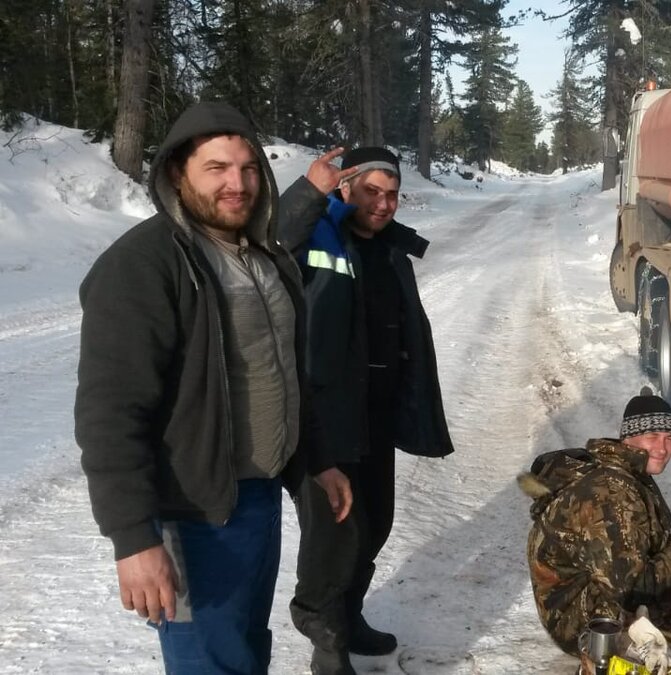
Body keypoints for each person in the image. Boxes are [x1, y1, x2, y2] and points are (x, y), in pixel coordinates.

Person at [75, 101, 352, 674]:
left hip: (255, 498)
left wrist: (317, 459)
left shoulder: (262, 254)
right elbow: (110, 415)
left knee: (247, 644)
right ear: (178, 172)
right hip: (192, 512)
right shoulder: (145, 264)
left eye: (249, 168)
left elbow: (283, 372)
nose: (237, 183)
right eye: (217, 168)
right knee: (208, 661)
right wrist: (133, 539)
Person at [277, 146, 455, 674]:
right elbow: (272, 239)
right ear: (345, 189)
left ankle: (349, 616)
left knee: (375, 522)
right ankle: (325, 640)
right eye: (371, 191)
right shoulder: (317, 234)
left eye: (392, 194)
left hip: (375, 416)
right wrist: (310, 192)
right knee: (336, 533)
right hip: (323, 418)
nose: (383, 204)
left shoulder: (391, 249)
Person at [521, 388, 671, 655]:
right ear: (629, 436)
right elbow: (629, 590)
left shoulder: (623, 470)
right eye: (652, 436)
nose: (663, 448)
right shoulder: (612, 491)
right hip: (587, 625)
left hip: (588, 598)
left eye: (670, 438)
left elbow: (636, 548)